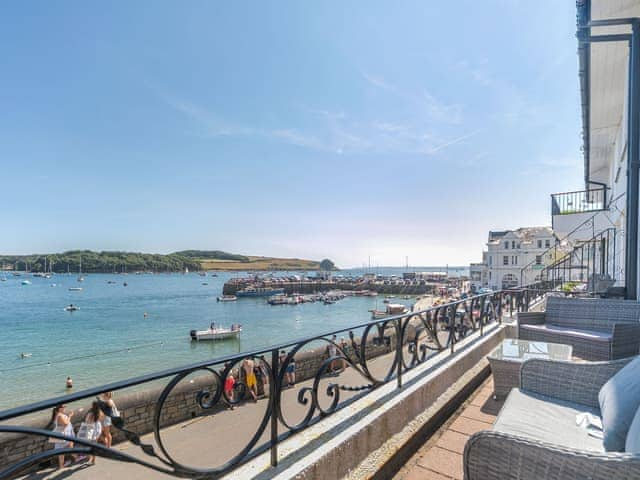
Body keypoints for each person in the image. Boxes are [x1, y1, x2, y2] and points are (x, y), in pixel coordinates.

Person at [49, 404, 75, 469]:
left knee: (68, 446)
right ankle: (62, 465)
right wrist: (70, 416)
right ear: (60, 408)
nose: (65, 407)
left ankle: (74, 458)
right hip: (64, 434)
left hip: (62, 434)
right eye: (64, 407)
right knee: (64, 449)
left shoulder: (57, 414)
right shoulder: (60, 415)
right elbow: (65, 424)